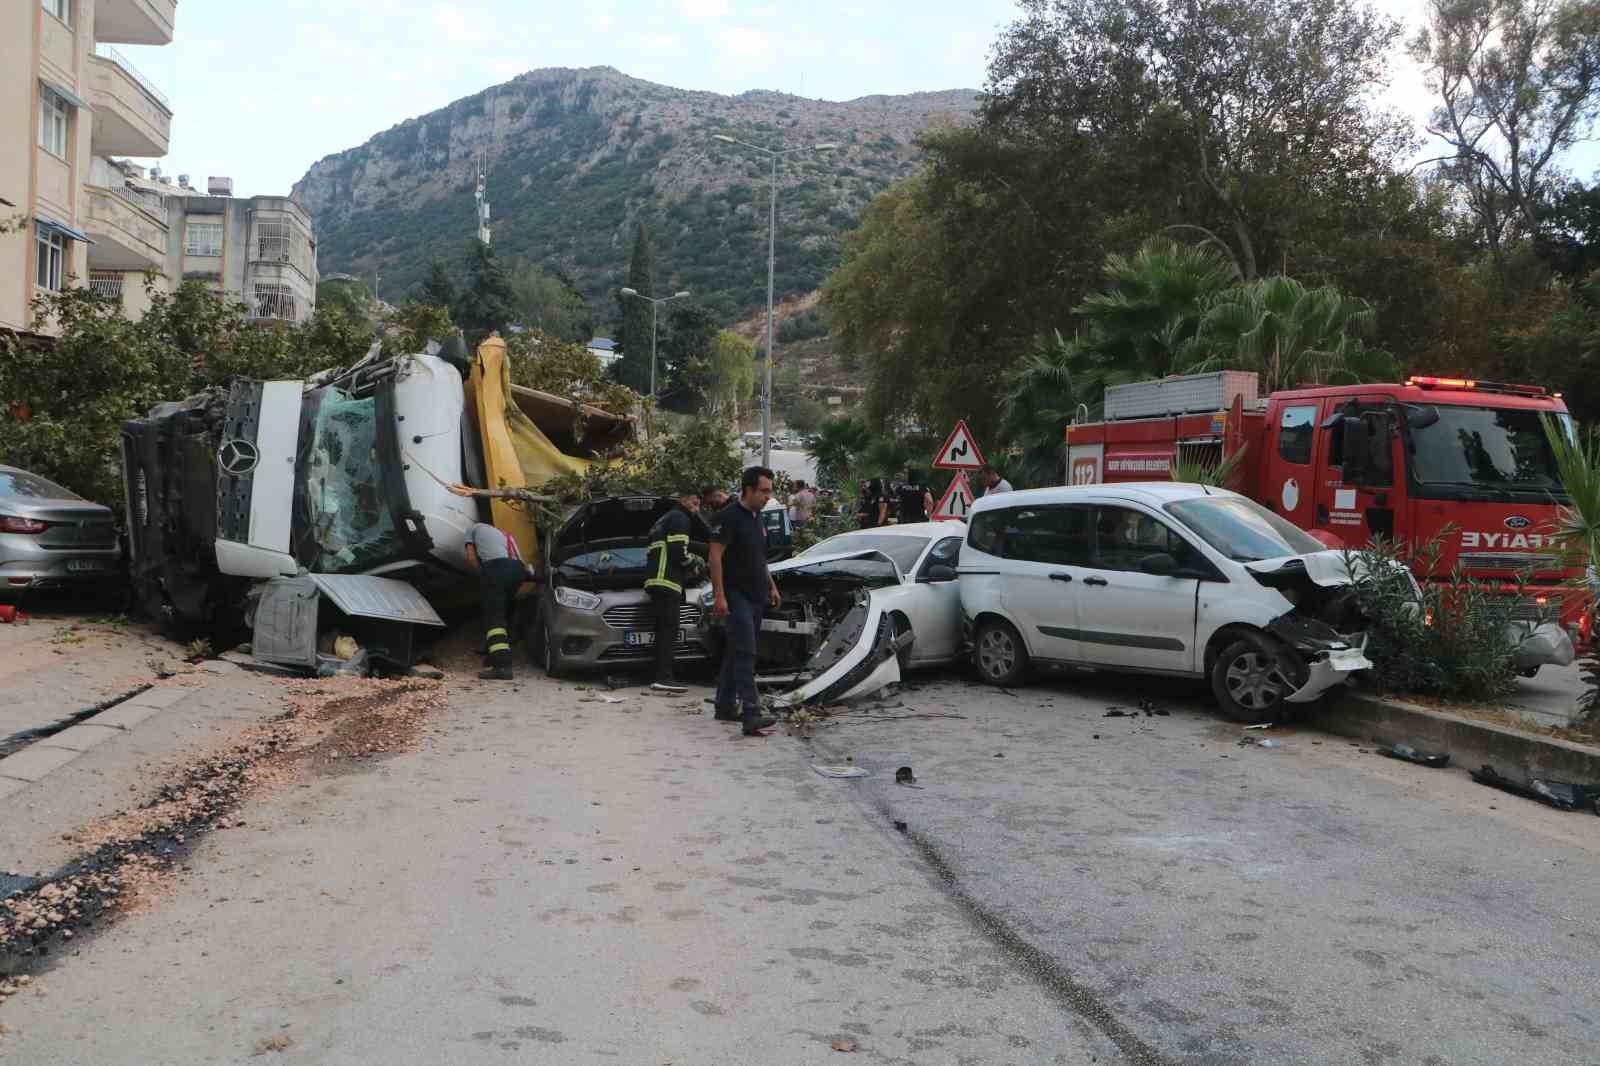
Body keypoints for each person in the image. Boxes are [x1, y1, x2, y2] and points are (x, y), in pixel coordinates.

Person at [709, 466, 781, 736]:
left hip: (757, 595)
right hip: (735, 595)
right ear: (748, 490)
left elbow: (759, 558)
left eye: (769, 492)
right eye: (763, 491)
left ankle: (725, 705)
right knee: (746, 651)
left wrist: (771, 586)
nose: (767, 497)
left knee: (736, 650)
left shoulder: (757, 518)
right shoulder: (727, 517)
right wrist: (720, 596)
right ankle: (751, 713)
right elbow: (714, 557)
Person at [643, 490, 701, 694]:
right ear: (682, 500)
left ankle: (657, 674)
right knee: (669, 631)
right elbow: (679, 553)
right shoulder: (680, 518)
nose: (697, 509)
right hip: (668, 581)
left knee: (662, 630)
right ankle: (664, 678)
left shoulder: (663, 519)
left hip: (655, 581)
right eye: (694, 503)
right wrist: (696, 562)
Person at [465, 520, 529, 681]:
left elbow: (471, 557)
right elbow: (519, 560)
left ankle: (502, 667)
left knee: (494, 621)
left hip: (495, 569)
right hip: (518, 570)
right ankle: (494, 653)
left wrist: (484, 575)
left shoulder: (473, 529)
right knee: (504, 610)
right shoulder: (503, 534)